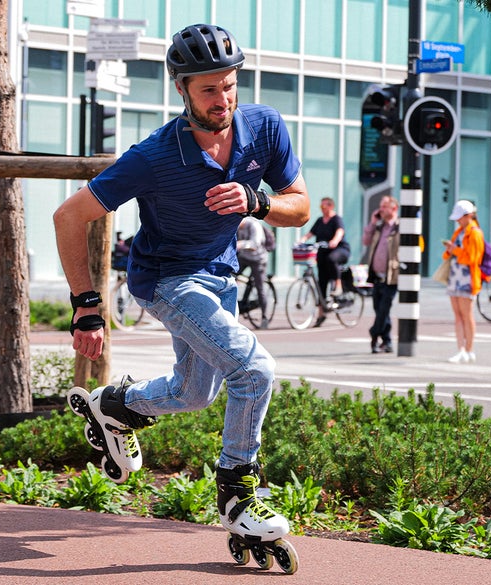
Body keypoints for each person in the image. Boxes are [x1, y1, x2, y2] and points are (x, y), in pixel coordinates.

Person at [54, 24, 309, 544]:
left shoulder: (265, 128)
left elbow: (299, 207)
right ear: (182, 88)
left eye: (230, 84)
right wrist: (86, 306)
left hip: (220, 275)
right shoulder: (154, 156)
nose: (224, 99)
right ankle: (238, 494)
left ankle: (116, 406)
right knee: (254, 368)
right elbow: (67, 216)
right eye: (208, 89)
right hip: (168, 280)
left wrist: (257, 202)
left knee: (194, 394)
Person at [298, 197, 351, 327]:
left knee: (332, 259)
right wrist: (303, 239)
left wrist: (335, 241)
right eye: (321, 207)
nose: (322, 209)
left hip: (339, 250)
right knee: (321, 282)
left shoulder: (336, 219)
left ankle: (338, 285)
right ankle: (321, 313)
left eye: (324, 207)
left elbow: (340, 231)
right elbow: (311, 233)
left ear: (331, 206)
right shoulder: (320, 220)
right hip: (323, 252)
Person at [443, 200, 484, 364]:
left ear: (469, 216)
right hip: (455, 275)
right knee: (458, 315)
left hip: (467, 277)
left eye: (460, 217)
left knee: (466, 315)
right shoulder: (460, 231)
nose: (458, 221)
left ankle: (469, 349)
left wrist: (455, 250)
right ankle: (460, 349)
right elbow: (452, 253)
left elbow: (473, 258)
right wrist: (449, 249)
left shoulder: (475, 233)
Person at [362, 196, 400, 353]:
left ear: (394, 208)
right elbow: (365, 241)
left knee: (384, 308)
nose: (381, 210)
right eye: (380, 206)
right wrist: (372, 222)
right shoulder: (379, 227)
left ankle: (374, 333)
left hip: (392, 277)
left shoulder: (401, 228)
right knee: (380, 310)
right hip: (376, 276)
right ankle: (387, 341)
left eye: (384, 206)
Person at [236, 216, 275, 329]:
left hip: (258, 259)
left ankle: (264, 317)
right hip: (244, 257)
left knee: (260, 287)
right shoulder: (237, 227)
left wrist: (240, 244)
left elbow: (255, 244)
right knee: (230, 276)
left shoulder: (253, 225)